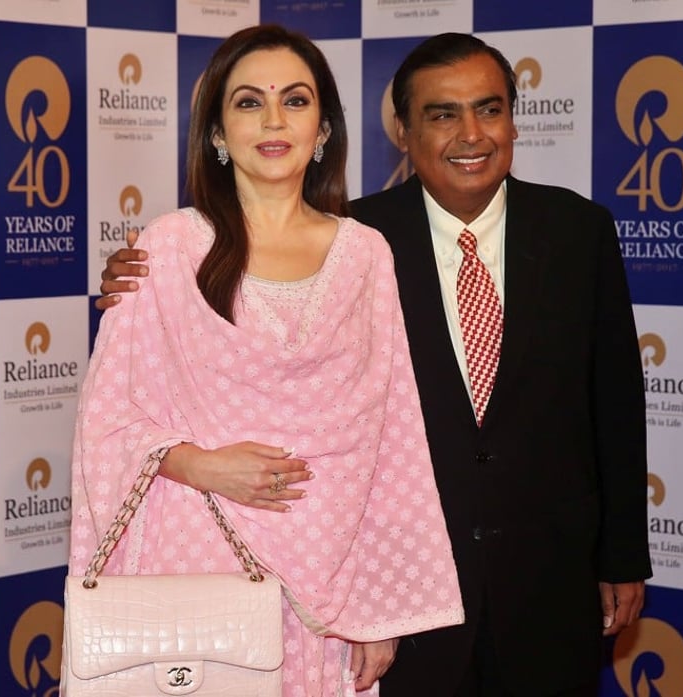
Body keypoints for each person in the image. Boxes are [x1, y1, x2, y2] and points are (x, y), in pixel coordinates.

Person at [98, 32, 651, 697]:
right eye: (442, 114)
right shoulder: (360, 237)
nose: (470, 134)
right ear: (404, 134)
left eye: (489, 109)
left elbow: (615, 402)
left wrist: (622, 553)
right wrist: (137, 285)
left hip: (546, 578)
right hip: (391, 592)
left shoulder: (577, 230)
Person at [70, 24, 464, 697]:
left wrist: (379, 611)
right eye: (249, 101)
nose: (274, 120)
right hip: (194, 564)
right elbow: (106, 419)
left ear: (324, 129)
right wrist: (201, 464)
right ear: (217, 134)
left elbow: (392, 434)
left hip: (328, 587)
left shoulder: (365, 254)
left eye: (295, 100)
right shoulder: (169, 248)